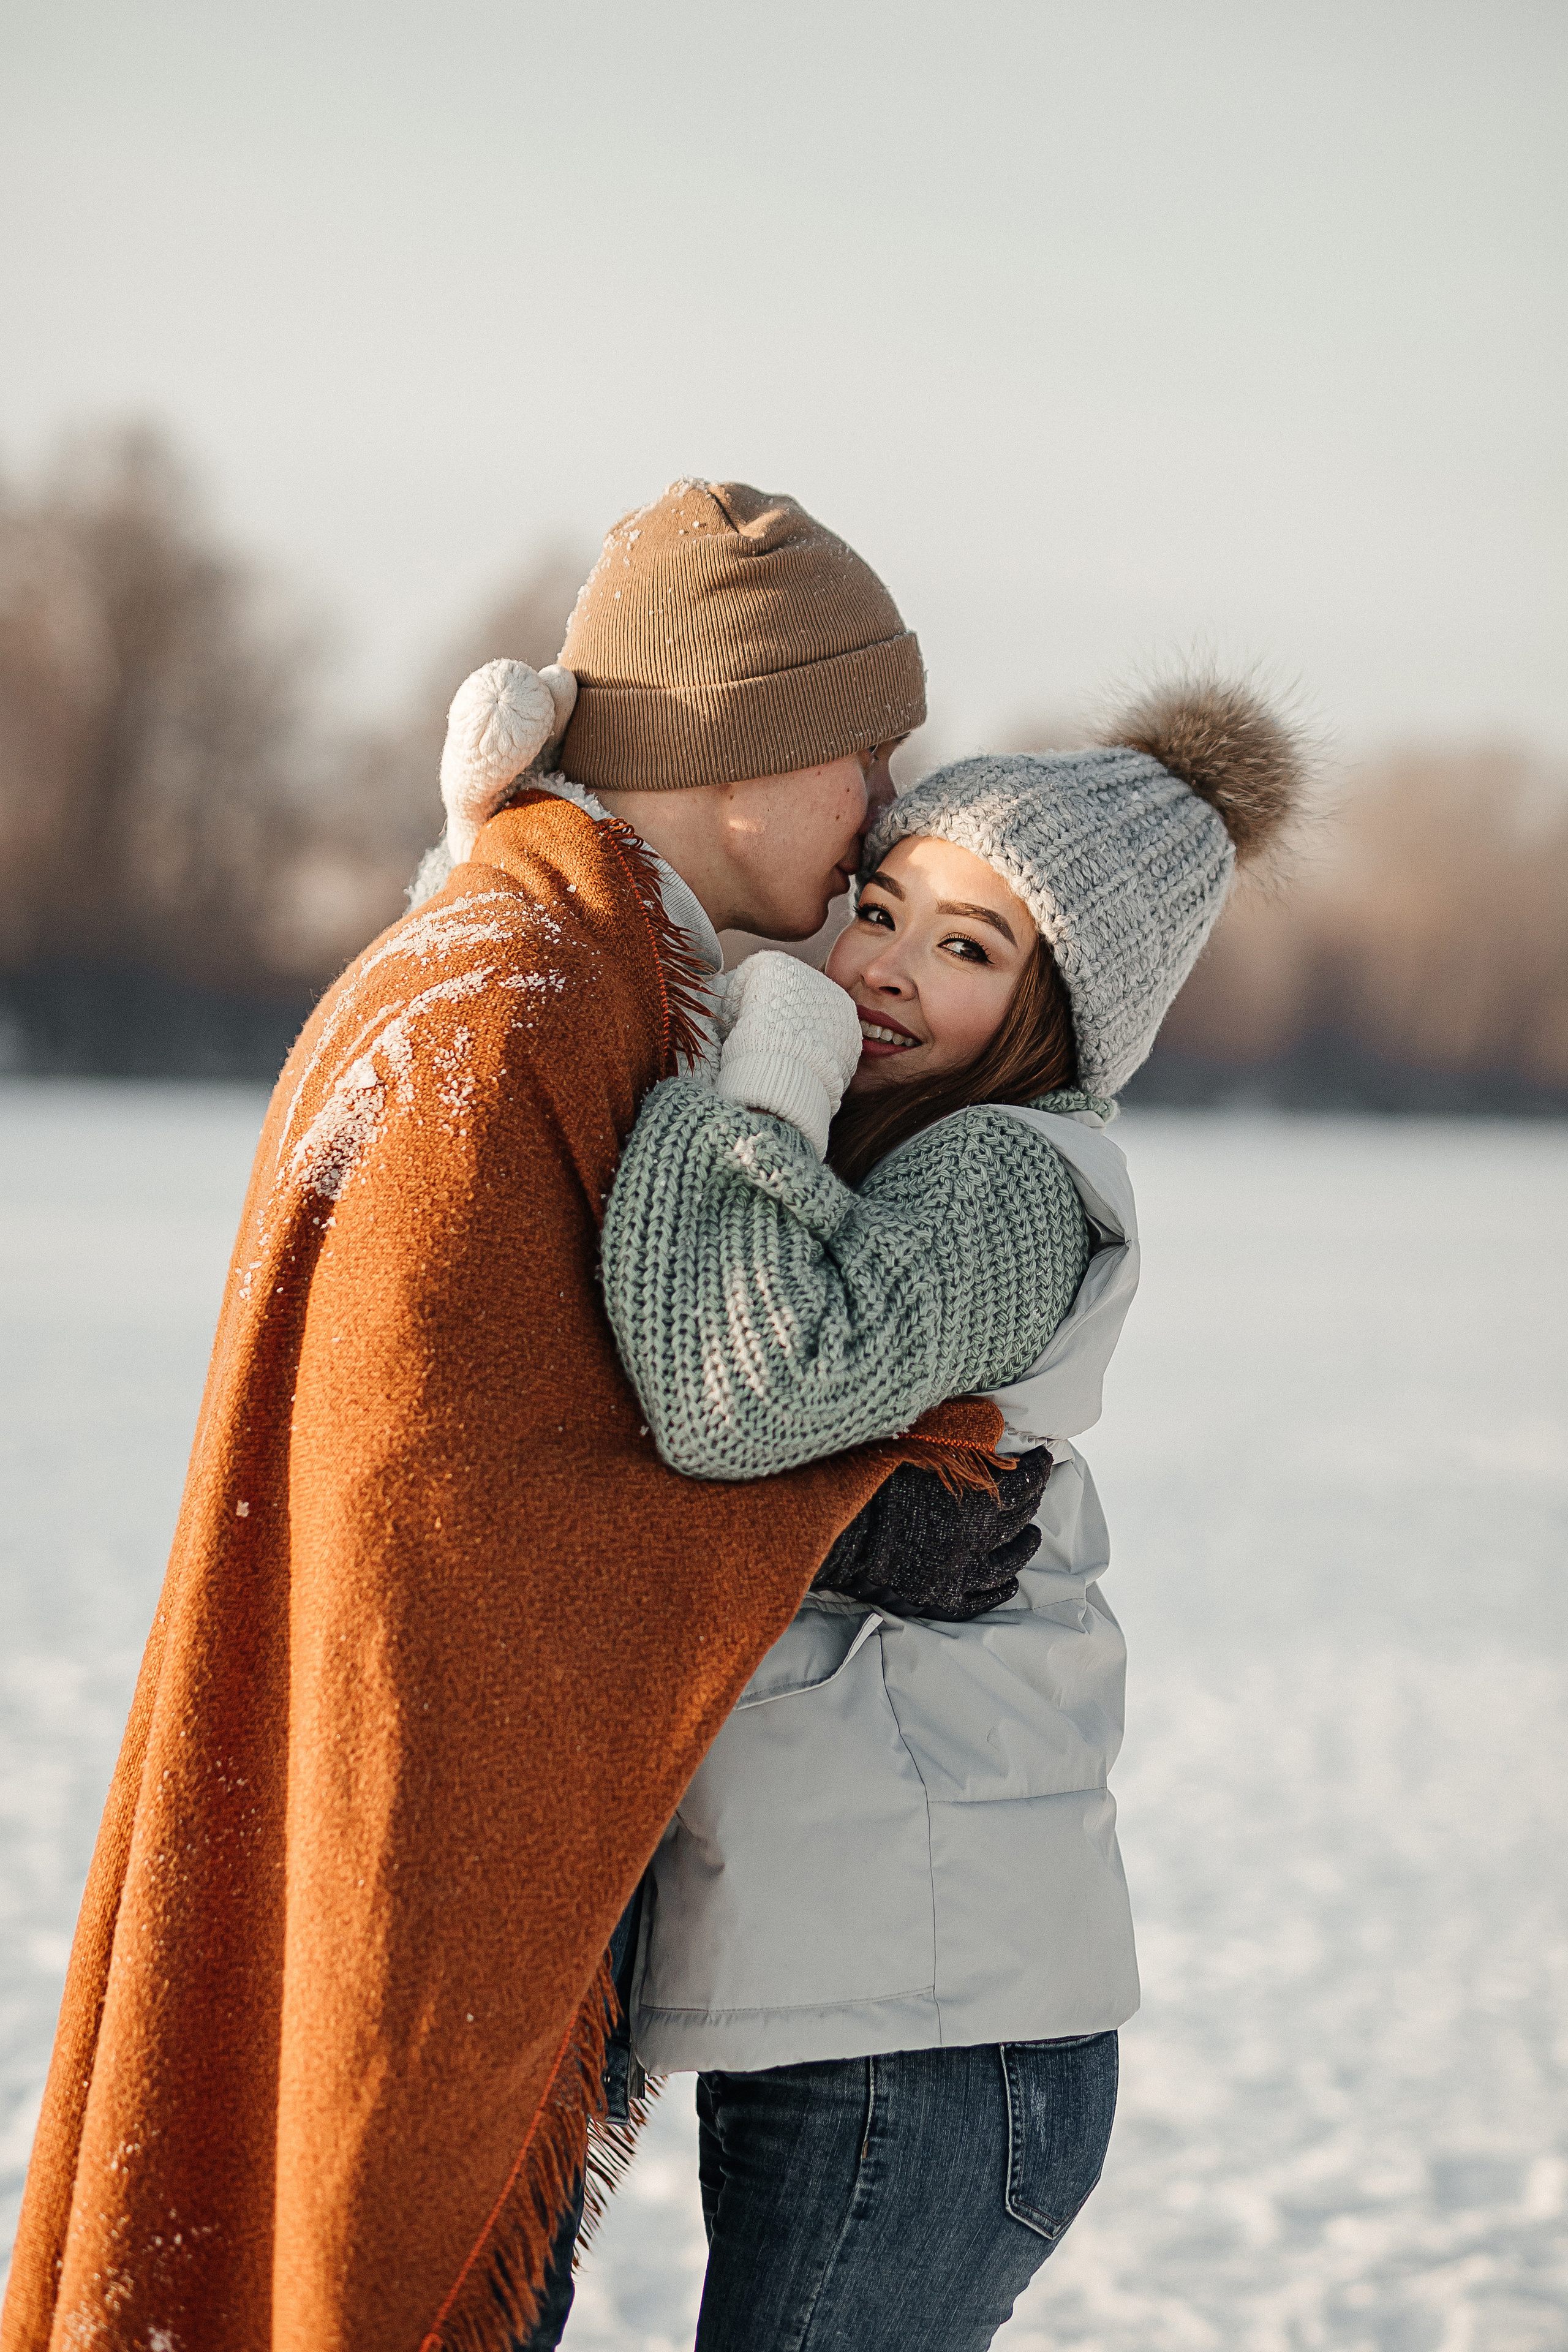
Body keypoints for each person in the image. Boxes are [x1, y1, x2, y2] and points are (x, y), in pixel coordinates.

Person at [2, 481, 1036, 2352]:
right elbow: (441, 1512)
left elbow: (509, 1440)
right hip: (409, 1849)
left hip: (429, 1830)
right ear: (747, 746)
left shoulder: (539, 964)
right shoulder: (517, 1002)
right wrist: (870, 1489)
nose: (890, 806)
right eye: (864, 753)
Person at [582, 674, 1306, 2350]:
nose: (888, 968)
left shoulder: (1002, 1176)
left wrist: (764, 1055)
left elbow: (733, 1390)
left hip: (931, 2041)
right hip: (871, 2012)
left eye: (969, 949)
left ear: (1061, 1010)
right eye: (884, 908)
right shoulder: (887, 1159)